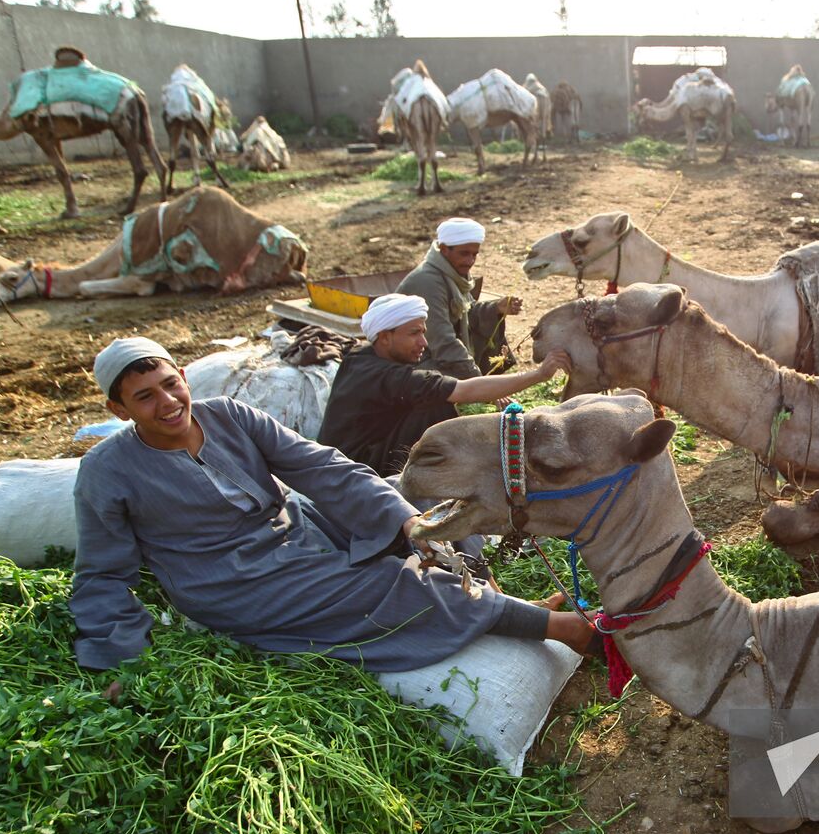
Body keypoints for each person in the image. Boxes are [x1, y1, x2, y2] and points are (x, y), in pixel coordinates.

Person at [69, 336, 596, 676]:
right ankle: (562, 629)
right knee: (388, 584)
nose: (168, 403)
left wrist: (406, 519)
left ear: (183, 377)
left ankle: (490, 601)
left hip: (298, 530)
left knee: (423, 499)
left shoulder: (227, 414)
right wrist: (117, 660)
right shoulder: (106, 472)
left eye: (170, 384)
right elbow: (101, 574)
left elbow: (322, 468)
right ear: (117, 409)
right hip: (235, 581)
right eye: (145, 397)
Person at [318, 293, 572, 477]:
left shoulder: (361, 357)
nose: (424, 342)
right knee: (438, 408)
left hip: (337, 460)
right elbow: (464, 391)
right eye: (414, 333)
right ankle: (427, 477)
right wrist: (539, 374)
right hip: (355, 470)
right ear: (385, 337)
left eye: (423, 332)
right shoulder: (387, 375)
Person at [398, 216, 520, 378]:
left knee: (491, 318)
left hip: (432, 350)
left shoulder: (452, 273)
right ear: (444, 249)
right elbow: (442, 342)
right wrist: (479, 383)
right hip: (412, 361)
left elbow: (466, 312)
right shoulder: (427, 282)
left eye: (474, 255)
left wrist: (496, 308)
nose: (470, 261)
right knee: (447, 374)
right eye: (464, 254)